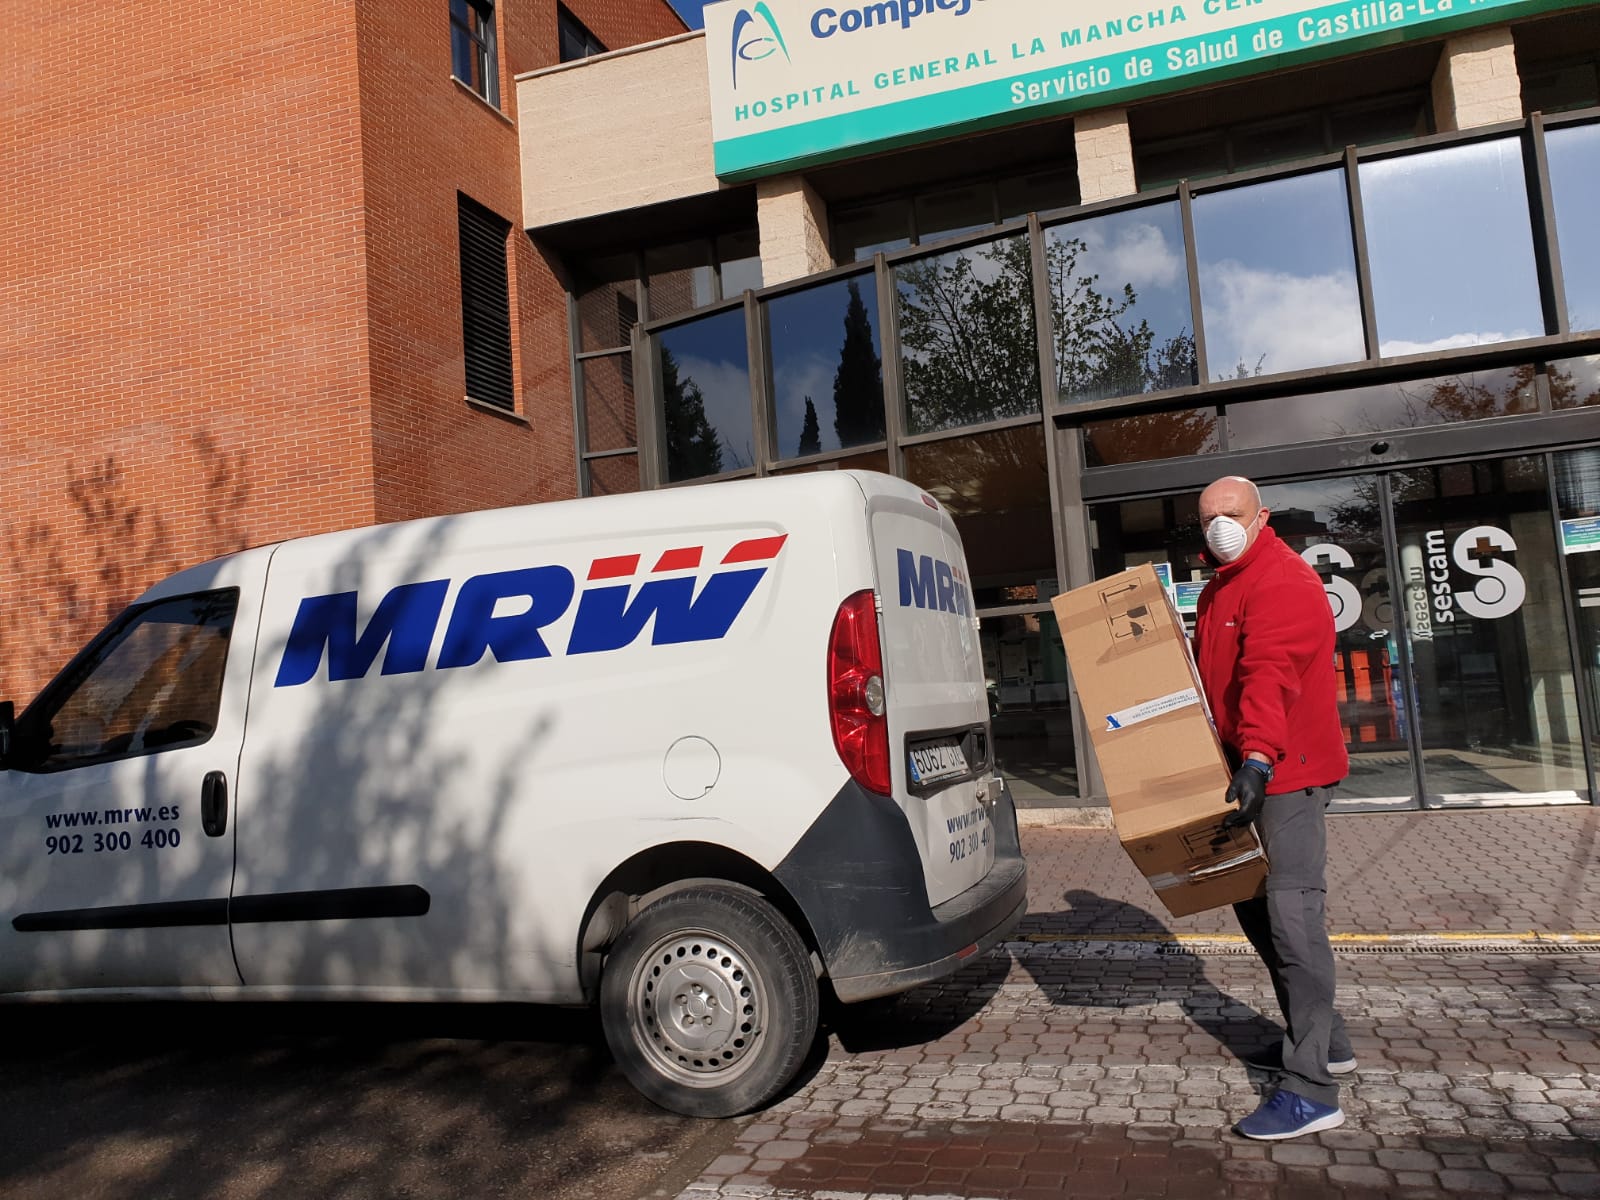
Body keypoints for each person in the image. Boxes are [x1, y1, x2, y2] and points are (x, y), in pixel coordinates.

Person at [1192, 475, 1354, 1141]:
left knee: (1292, 920)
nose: (1219, 527)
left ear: (1261, 517)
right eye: (1208, 518)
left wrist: (1258, 757)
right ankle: (1326, 1041)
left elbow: (1270, 673)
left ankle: (1312, 1088)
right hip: (1245, 771)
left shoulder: (1281, 580)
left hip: (1287, 773)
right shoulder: (1219, 587)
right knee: (1254, 907)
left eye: (1231, 514)